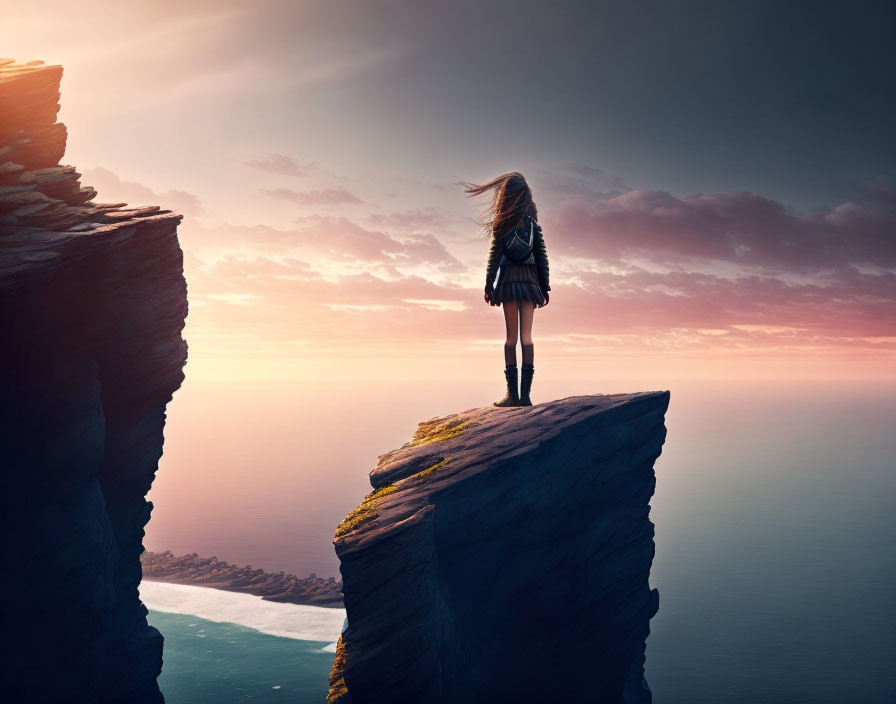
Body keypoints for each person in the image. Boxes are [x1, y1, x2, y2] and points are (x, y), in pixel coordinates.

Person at [463, 171, 550, 407]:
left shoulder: (501, 226)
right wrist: (545, 287)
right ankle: (526, 396)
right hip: (531, 283)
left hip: (510, 282)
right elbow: (542, 257)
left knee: (511, 339)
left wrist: (488, 285)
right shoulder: (534, 226)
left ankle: (513, 396)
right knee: (527, 338)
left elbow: (494, 257)